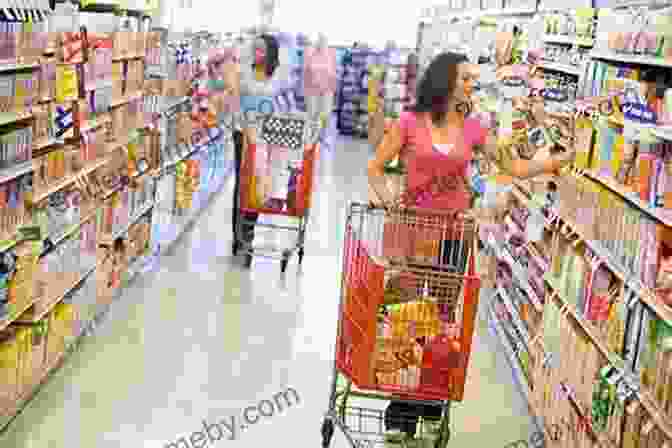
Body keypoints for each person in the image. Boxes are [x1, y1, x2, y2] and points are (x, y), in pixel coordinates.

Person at [368, 52, 574, 442]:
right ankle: (400, 415)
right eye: (465, 78)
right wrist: (386, 199)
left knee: (440, 326)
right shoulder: (410, 123)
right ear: (444, 80)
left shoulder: (473, 130)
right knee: (404, 322)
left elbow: (513, 167)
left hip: (452, 238)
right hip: (410, 235)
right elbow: (376, 167)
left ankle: (429, 406)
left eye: (472, 80)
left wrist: (555, 161)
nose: (470, 85)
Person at [232, 33, 281, 250]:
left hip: (265, 137)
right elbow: (237, 99)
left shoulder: (278, 75)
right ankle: (237, 233)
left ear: (271, 52)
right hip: (243, 133)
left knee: (258, 183)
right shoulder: (245, 71)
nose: (257, 53)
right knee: (241, 183)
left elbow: (279, 104)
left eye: (262, 49)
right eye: (255, 48)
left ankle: (249, 230)